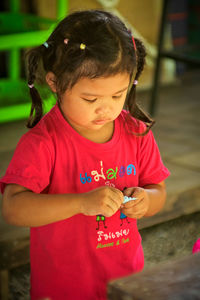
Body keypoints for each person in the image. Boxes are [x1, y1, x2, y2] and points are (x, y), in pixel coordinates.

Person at [0, 10, 170, 300]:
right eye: (90, 99)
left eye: (118, 95)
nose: (106, 109)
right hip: (63, 288)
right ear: (55, 83)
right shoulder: (44, 143)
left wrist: (146, 200)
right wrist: (81, 202)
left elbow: (158, 191)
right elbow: (13, 208)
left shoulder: (136, 132)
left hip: (125, 281)